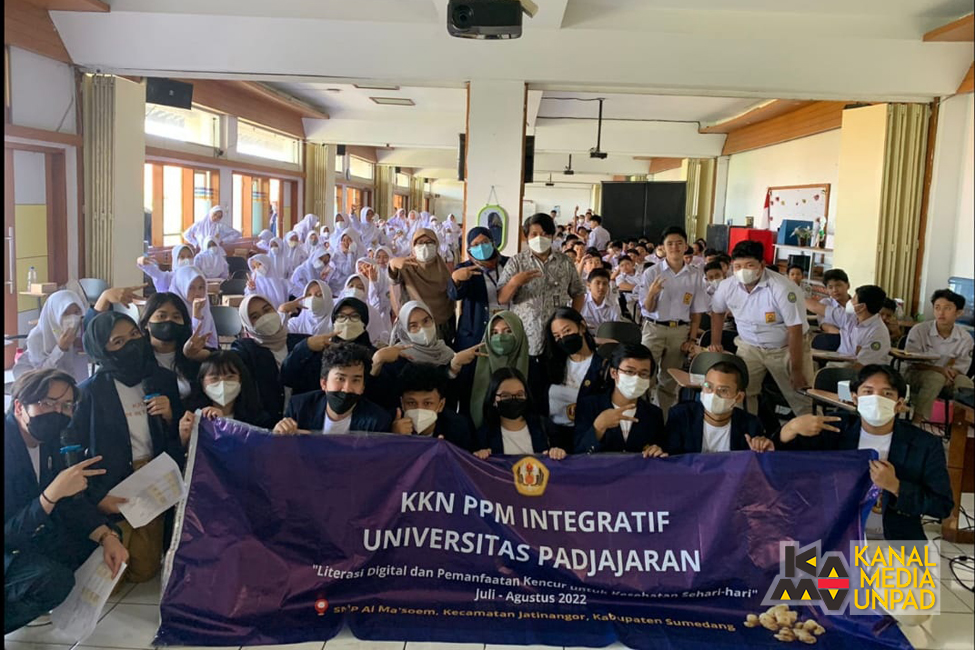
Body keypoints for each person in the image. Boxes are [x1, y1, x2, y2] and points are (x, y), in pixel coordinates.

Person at [4, 369, 128, 633]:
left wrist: (107, 536)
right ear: (19, 407)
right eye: (48, 403)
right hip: (9, 541)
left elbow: (70, 503)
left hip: (30, 532)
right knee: (53, 581)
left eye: (66, 406)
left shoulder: (50, 442)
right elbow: (8, 534)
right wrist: (50, 495)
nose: (57, 412)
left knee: (101, 542)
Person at [70, 311, 184, 586]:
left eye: (134, 335)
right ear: (102, 350)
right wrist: (94, 494)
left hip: (152, 472)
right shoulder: (89, 391)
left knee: (144, 571)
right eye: (118, 342)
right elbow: (73, 445)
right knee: (113, 575)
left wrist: (171, 416)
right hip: (111, 478)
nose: (131, 344)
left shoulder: (162, 379)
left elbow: (178, 434)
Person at [779, 364, 953, 540]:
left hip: (895, 539)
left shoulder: (924, 444)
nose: (876, 399)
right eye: (868, 392)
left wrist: (896, 487)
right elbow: (781, 464)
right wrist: (790, 428)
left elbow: (942, 506)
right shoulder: (834, 430)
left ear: (899, 404)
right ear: (855, 399)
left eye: (887, 394)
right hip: (835, 536)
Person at [709, 241, 812, 417]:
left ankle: (812, 430)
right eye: (737, 266)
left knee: (800, 396)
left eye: (749, 265)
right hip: (749, 347)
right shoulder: (727, 286)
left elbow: (795, 329)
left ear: (762, 265)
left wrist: (796, 370)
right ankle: (749, 430)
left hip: (785, 348)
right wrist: (715, 342)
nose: (743, 271)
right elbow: (717, 312)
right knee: (741, 394)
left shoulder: (782, 288)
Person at [637, 226, 709, 416]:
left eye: (679, 243)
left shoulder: (695, 274)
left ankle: (663, 418)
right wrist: (651, 294)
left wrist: (692, 339)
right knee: (645, 374)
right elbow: (647, 308)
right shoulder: (652, 272)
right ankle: (643, 416)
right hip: (654, 328)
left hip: (680, 331)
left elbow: (696, 311)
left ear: (686, 246)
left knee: (669, 380)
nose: (675, 247)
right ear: (662, 247)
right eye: (670, 243)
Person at [498, 214, 586, 361]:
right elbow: (502, 299)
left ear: (552, 236)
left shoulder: (565, 262)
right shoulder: (516, 262)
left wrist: (572, 319)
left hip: (558, 338)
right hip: (525, 337)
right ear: (527, 237)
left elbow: (578, 292)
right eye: (534, 234)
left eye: (545, 234)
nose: (539, 238)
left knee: (556, 373)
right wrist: (514, 282)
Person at [273, 344, 392, 435]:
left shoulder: (378, 421)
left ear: (363, 387)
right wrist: (279, 433)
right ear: (324, 383)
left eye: (355, 380)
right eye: (340, 379)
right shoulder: (299, 407)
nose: (346, 389)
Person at [574, 344, 667, 456]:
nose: (636, 378)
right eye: (629, 372)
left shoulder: (654, 414)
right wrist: (598, 427)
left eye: (643, 374)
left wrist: (657, 451)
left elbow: (660, 450)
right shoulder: (589, 406)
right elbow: (577, 452)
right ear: (614, 373)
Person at [665, 361, 771, 454]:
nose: (713, 395)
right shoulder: (681, 416)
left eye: (723, 390)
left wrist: (761, 448)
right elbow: (670, 460)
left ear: (738, 397)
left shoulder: (751, 425)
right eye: (708, 386)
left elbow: (754, 463)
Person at [278, 297, 376, 398]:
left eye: (355, 316)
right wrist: (305, 347)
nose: (347, 321)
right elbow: (287, 377)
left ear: (364, 321)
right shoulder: (319, 350)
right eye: (341, 316)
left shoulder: (375, 356)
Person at [904, 289, 974, 424]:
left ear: (959, 313)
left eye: (947, 308)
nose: (941, 313)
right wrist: (940, 371)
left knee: (966, 383)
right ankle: (916, 422)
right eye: (937, 308)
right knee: (936, 378)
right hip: (915, 374)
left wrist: (950, 375)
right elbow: (912, 361)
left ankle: (959, 427)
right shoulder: (919, 330)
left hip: (949, 377)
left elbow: (961, 367)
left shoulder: (965, 338)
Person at [232, 295, 307, 422]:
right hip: (265, 425)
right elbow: (229, 360)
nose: (265, 318)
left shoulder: (301, 343)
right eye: (255, 317)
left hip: (301, 422)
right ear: (247, 324)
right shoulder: (246, 350)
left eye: (267, 310)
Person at [540, 307, 606, 451]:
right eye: (557, 336)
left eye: (567, 331)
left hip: (587, 438)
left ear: (582, 327)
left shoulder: (602, 367)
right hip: (553, 440)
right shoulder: (549, 364)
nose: (563, 338)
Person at [474, 367, 566, 460]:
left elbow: (563, 458)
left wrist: (558, 453)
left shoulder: (545, 427)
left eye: (519, 394)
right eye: (505, 396)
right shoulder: (484, 435)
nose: (513, 399)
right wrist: (480, 456)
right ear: (493, 399)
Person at [179, 350, 277, 431]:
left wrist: (225, 424)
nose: (222, 383)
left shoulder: (258, 419)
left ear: (241, 380)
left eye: (230, 377)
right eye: (214, 378)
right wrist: (184, 438)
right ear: (202, 383)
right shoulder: (191, 415)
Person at [449, 227, 510, 353]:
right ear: (469, 249)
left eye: (485, 242)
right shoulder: (464, 268)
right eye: (476, 244)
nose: (481, 247)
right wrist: (456, 279)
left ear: (493, 243)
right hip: (475, 330)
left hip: (504, 327)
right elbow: (455, 295)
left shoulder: (508, 263)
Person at [137, 291, 207, 400]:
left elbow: (223, 360)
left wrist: (197, 356)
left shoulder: (191, 351)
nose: (169, 320)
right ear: (146, 323)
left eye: (176, 317)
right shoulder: (138, 355)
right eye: (162, 316)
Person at [389, 363, 476, 451]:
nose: (419, 409)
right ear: (402, 403)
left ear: (441, 405)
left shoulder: (457, 428)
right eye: (411, 403)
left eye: (427, 403)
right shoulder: (389, 424)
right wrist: (394, 438)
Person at [12, 289, 89, 383]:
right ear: (54, 313)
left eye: (76, 312)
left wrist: (86, 345)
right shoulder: (36, 338)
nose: (72, 318)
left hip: (77, 385)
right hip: (50, 386)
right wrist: (60, 349)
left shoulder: (80, 331)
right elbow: (43, 374)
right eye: (65, 313)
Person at [805, 284, 891, 368]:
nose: (850, 302)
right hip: (838, 362)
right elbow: (819, 307)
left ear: (861, 307)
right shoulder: (850, 317)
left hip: (859, 372)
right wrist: (799, 297)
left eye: (853, 299)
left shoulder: (878, 333)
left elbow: (860, 366)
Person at [470, 311, 529, 429]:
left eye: (508, 331)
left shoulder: (535, 367)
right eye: (494, 333)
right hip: (482, 433)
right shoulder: (473, 365)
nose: (501, 337)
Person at [172, 265, 219, 350]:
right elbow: (191, 343)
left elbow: (208, 340)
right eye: (191, 288)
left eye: (201, 287)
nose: (197, 293)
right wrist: (196, 317)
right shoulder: (173, 309)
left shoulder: (204, 306)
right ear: (181, 286)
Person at [342, 273, 390, 344]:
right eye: (351, 286)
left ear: (366, 291)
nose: (354, 290)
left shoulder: (372, 312)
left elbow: (379, 336)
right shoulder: (338, 309)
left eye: (360, 287)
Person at [581, 268, 621, 335]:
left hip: (607, 338)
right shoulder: (581, 302)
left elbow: (617, 327)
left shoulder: (614, 305)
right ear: (588, 285)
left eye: (605, 284)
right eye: (597, 283)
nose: (601, 287)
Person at [327, 227, 362, 296]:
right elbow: (348, 271)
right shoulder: (337, 255)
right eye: (343, 240)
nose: (346, 243)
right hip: (338, 290)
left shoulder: (361, 252)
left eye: (349, 240)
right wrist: (350, 253)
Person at [819, 269, 852, 334]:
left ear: (848, 285)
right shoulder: (825, 303)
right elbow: (824, 325)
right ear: (826, 289)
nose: (834, 290)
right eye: (830, 287)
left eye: (838, 285)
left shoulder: (857, 304)